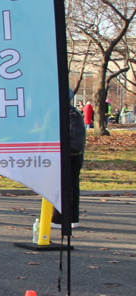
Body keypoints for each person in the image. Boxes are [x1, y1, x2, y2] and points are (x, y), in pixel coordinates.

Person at [52, 91, 85, 230]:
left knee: (64, 187)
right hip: (71, 154)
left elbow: (74, 140)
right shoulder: (71, 113)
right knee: (69, 186)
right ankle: (69, 218)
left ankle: (62, 219)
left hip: (67, 155)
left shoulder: (67, 113)